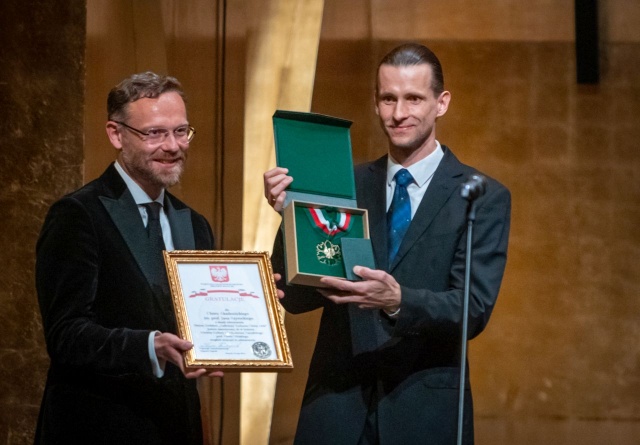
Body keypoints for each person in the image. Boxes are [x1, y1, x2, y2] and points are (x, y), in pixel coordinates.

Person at [263, 43, 511, 444]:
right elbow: (294, 296)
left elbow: (473, 310)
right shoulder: (345, 184)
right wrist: (289, 215)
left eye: (414, 98)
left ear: (441, 103)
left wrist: (397, 299)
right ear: (376, 103)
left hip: (424, 411)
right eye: (388, 99)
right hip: (336, 407)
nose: (399, 113)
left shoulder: (482, 195)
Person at [35, 72, 223, 444]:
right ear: (116, 134)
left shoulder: (195, 224)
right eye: (154, 133)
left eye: (181, 131)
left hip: (175, 428)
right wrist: (148, 345)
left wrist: (249, 301)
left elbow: (200, 322)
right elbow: (66, 335)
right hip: (96, 427)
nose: (172, 146)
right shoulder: (78, 215)